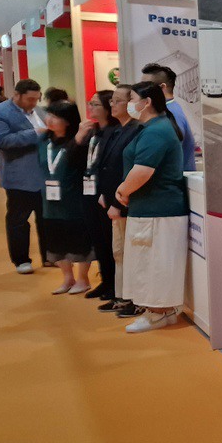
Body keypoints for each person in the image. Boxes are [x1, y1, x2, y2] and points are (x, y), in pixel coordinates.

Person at [115, 82, 189, 333]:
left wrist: (123, 190)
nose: (129, 104)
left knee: (154, 264)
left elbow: (143, 171)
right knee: (149, 262)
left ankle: (157, 313)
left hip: (158, 209)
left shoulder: (156, 131)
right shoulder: (152, 128)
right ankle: (161, 311)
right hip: (149, 207)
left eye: (132, 98)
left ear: (146, 102)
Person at [0, 79, 48, 274]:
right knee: (18, 220)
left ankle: (49, 256)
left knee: (46, 218)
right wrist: (35, 134)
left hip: (45, 176)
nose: (34, 103)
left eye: (37, 99)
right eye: (30, 99)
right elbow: (0, 140)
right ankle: (21, 260)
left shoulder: (40, 111)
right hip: (19, 177)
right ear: (17, 95)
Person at [38, 100, 96, 294]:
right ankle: (67, 278)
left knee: (80, 241)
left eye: (55, 116)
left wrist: (77, 141)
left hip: (74, 199)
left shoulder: (81, 142)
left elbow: (79, 163)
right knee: (56, 240)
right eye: (49, 114)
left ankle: (83, 279)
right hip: (50, 201)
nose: (49, 119)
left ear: (68, 121)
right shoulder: (44, 141)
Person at [96, 86, 143, 315]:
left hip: (125, 202)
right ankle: (121, 295)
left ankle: (133, 298)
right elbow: (108, 166)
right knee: (118, 251)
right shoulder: (117, 130)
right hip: (113, 198)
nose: (112, 105)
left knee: (128, 251)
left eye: (117, 101)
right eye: (111, 101)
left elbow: (129, 170)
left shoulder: (136, 130)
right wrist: (104, 193)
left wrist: (117, 202)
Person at [77, 90, 116, 300]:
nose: (90, 107)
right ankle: (105, 280)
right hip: (88, 191)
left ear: (107, 108)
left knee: (110, 241)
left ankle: (114, 284)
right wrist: (78, 138)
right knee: (98, 240)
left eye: (95, 104)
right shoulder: (92, 131)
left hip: (105, 193)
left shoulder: (116, 131)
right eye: (90, 103)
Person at [140, 63, 197, 171]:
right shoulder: (165, 110)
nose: (141, 91)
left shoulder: (171, 114)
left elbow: (168, 153)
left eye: (146, 86)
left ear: (162, 87)